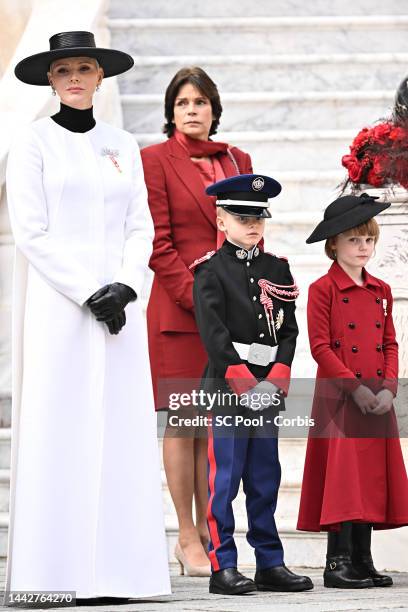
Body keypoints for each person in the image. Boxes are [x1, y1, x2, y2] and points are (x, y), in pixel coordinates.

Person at [6, 31, 171, 599]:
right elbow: (31, 231)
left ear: (101, 77)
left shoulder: (123, 144)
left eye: (84, 68)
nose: (74, 77)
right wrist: (88, 291)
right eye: (62, 71)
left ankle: (122, 574)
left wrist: (125, 286)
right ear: (50, 81)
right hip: (60, 309)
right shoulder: (31, 143)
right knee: (60, 430)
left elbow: (140, 224)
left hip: (120, 313)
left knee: (120, 432)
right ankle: (52, 576)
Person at [141, 67, 253, 576]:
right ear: (171, 111)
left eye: (201, 101)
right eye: (183, 102)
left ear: (214, 108)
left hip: (228, 318)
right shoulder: (154, 161)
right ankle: (185, 536)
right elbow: (157, 244)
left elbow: (252, 232)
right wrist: (204, 300)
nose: (192, 110)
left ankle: (212, 529)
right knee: (184, 423)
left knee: (216, 425)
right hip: (179, 313)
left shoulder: (238, 160)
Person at [190, 174, 314, 595]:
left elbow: (290, 329)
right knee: (223, 479)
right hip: (229, 388)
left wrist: (279, 374)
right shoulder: (210, 270)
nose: (253, 225)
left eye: (259, 218)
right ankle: (222, 566)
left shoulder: (276, 268)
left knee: (265, 476)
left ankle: (269, 563)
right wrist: (242, 380)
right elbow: (213, 333)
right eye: (243, 217)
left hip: (268, 389)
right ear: (221, 220)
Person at [297, 193, 408, 588]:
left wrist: (389, 389)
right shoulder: (322, 288)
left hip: (377, 399)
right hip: (341, 398)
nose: (363, 248)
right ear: (333, 245)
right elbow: (320, 346)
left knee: (371, 477)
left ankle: (363, 558)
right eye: (354, 240)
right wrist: (355, 388)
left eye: (369, 240)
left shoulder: (380, 289)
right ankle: (337, 561)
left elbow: (391, 343)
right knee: (343, 478)